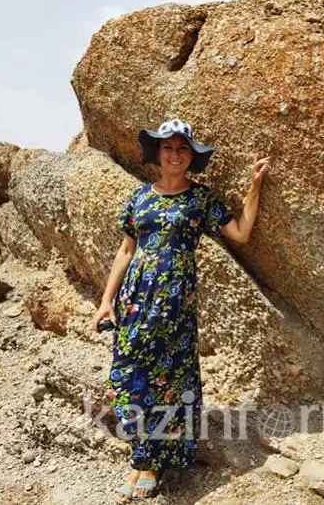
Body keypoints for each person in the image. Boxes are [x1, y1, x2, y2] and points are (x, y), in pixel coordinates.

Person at [90, 118, 270, 501]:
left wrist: (255, 187)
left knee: (169, 383)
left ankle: (148, 463)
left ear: (192, 156)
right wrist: (107, 300)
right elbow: (125, 251)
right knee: (129, 378)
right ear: (157, 152)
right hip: (135, 302)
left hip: (175, 308)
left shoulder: (200, 200)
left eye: (182, 148)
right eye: (168, 147)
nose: (174, 154)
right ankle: (143, 455)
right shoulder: (139, 198)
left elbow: (241, 233)